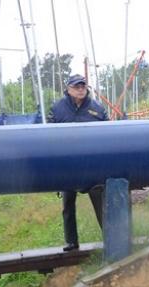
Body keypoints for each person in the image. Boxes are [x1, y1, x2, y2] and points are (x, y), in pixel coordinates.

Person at [48, 74, 108, 251]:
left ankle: (110, 239)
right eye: (77, 86)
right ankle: (71, 242)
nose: (81, 89)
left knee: (101, 205)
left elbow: (109, 133)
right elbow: (48, 136)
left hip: (93, 165)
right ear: (68, 89)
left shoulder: (97, 108)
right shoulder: (58, 108)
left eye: (83, 86)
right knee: (67, 205)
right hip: (67, 166)